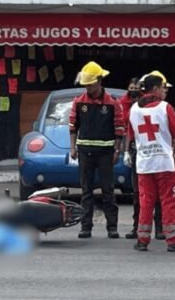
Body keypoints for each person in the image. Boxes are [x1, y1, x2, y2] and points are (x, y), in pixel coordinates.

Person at [124, 72, 175, 252]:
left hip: (144, 163)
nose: (165, 91)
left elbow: (131, 133)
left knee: (146, 201)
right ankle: (172, 240)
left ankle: (142, 240)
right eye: (163, 87)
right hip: (165, 163)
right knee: (169, 201)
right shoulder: (165, 108)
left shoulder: (134, 109)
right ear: (156, 88)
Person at [69, 62, 124, 239]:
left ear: (100, 81)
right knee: (86, 192)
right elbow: (72, 127)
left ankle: (112, 227)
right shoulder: (78, 102)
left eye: (90, 84)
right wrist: (73, 148)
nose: (87, 87)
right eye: (86, 84)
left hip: (106, 153)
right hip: (85, 151)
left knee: (108, 191)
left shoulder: (112, 103)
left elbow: (119, 129)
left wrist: (117, 151)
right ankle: (86, 227)